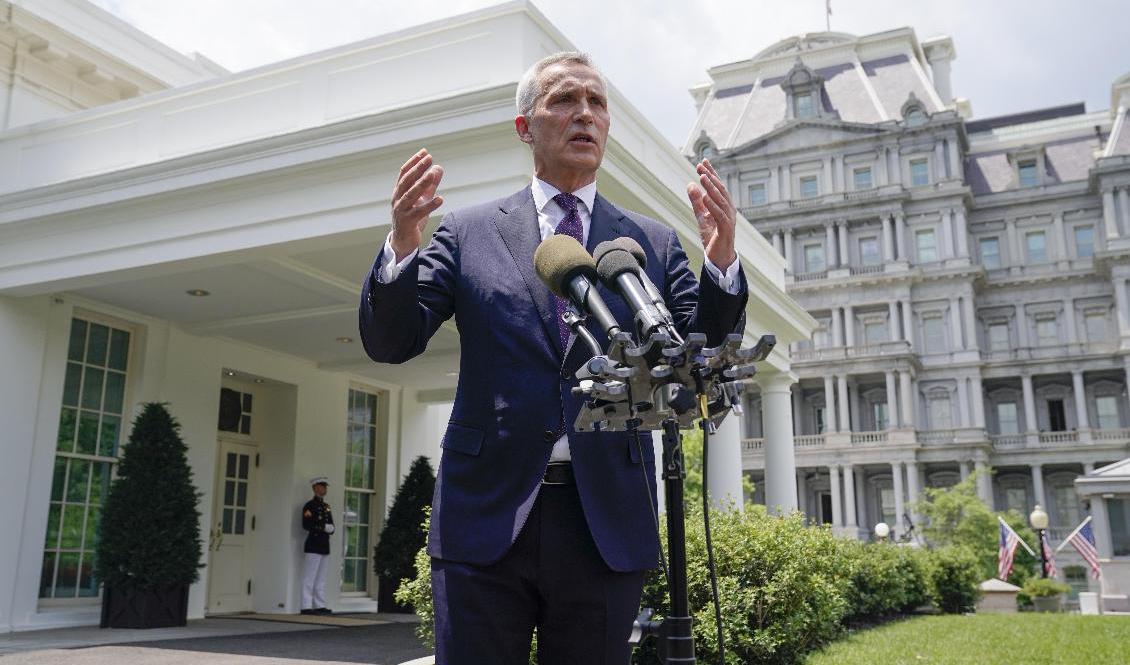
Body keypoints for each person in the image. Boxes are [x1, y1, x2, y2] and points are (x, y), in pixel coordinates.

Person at [359, 51, 747, 664]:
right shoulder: (467, 233)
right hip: (486, 515)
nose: (584, 114)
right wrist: (403, 244)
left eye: (596, 102)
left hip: (605, 520)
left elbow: (703, 349)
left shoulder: (650, 241)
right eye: (564, 100)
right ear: (525, 127)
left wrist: (721, 264)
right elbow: (391, 340)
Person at [300, 476, 335, 615]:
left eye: (325, 486)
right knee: (310, 577)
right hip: (313, 544)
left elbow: (332, 525)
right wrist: (323, 527)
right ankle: (306, 605)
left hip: (324, 544)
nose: (324, 488)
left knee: (321, 577)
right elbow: (307, 524)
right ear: (315, 488)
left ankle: (319, 604)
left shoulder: (326, 507)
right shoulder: (310, 506)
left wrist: (330, 528)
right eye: (321, 486)